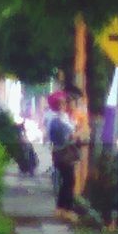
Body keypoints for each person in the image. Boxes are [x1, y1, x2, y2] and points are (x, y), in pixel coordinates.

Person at [47, 92, 79, 222]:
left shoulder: (65, 118)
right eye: (62, 103)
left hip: (65, 153)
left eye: (65, 102)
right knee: (69, 181)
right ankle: (67, 209)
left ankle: (61, 208)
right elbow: (64, 138)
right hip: (63, 154)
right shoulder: (56, 120)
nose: (65, 105)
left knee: (67, 181)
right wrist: (76, 135)